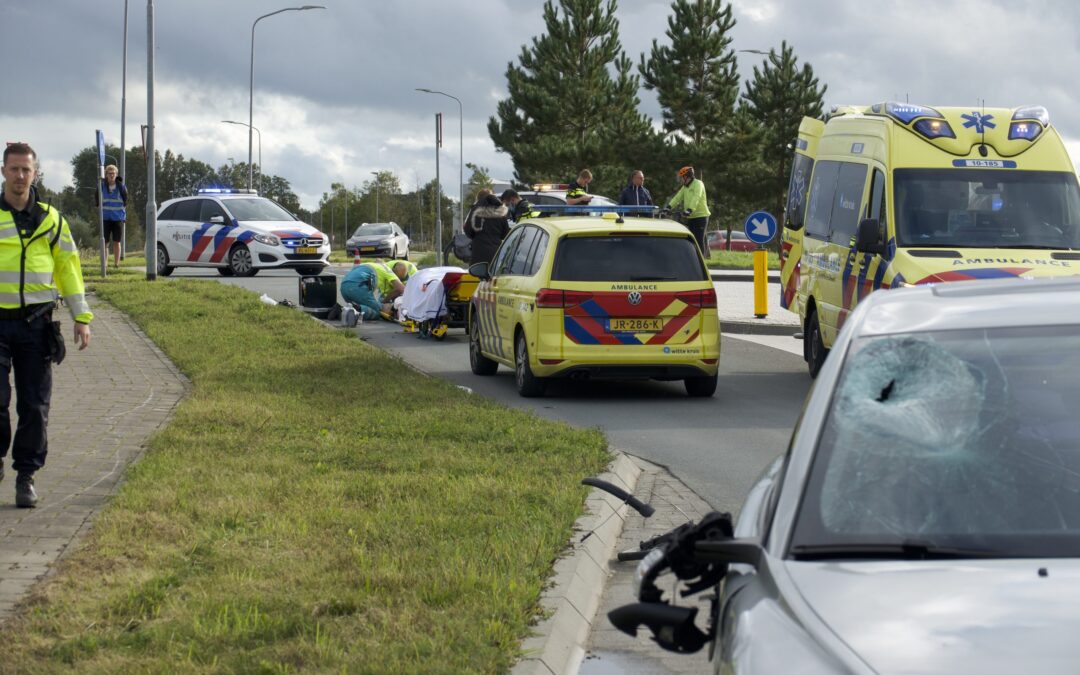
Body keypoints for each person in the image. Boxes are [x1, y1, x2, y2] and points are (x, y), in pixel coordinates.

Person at [0, 142, 92, 508]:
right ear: (3, 172)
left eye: (26, 169)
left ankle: (26, 476)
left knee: (35, 407)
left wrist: (81, 317)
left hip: (36, 325)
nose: (20, 176)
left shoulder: (51, 219)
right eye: (14, 169)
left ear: (35, 173)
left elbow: (68, 268)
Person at [340, 260, 406, 320]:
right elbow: (401, 289)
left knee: (364, 306)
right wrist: (385, 302)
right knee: (378, 312)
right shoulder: (388, 271)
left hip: (344, 287)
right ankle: (353, 311)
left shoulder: (373, 265)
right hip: (357, 287)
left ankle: (342, 310)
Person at [668, 166, 711, 252]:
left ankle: (701, 259)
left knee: (699, 239)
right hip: (691, 217)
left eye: (681, 177)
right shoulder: (685, 187)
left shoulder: (698, 184)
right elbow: (677, 198)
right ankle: (693, 257)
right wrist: (668, 207)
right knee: (691, 239)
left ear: (686, 176)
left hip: (701, 216)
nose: (681, 180)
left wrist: (690, 209)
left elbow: (696, 197)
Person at [464, 193, 510, 265]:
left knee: (477, 271)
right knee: (493, 271)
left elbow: (468, 231)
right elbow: (505, 234)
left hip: (478, 252)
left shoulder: (475, 213)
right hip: (495, 253)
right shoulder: (501, 215)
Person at [97, 164, 127, 267]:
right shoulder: (101, 186)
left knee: (117, 242)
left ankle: (116, 264)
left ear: (116, 174)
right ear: (106, 175)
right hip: (105, 218)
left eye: (113, 173)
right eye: (109, 173)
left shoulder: (121, 187)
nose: (111, 175)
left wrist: (123, 215)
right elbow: (97, 200)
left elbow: (126, 201)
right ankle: (104, 265)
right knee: (105, 242)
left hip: (118, 219)